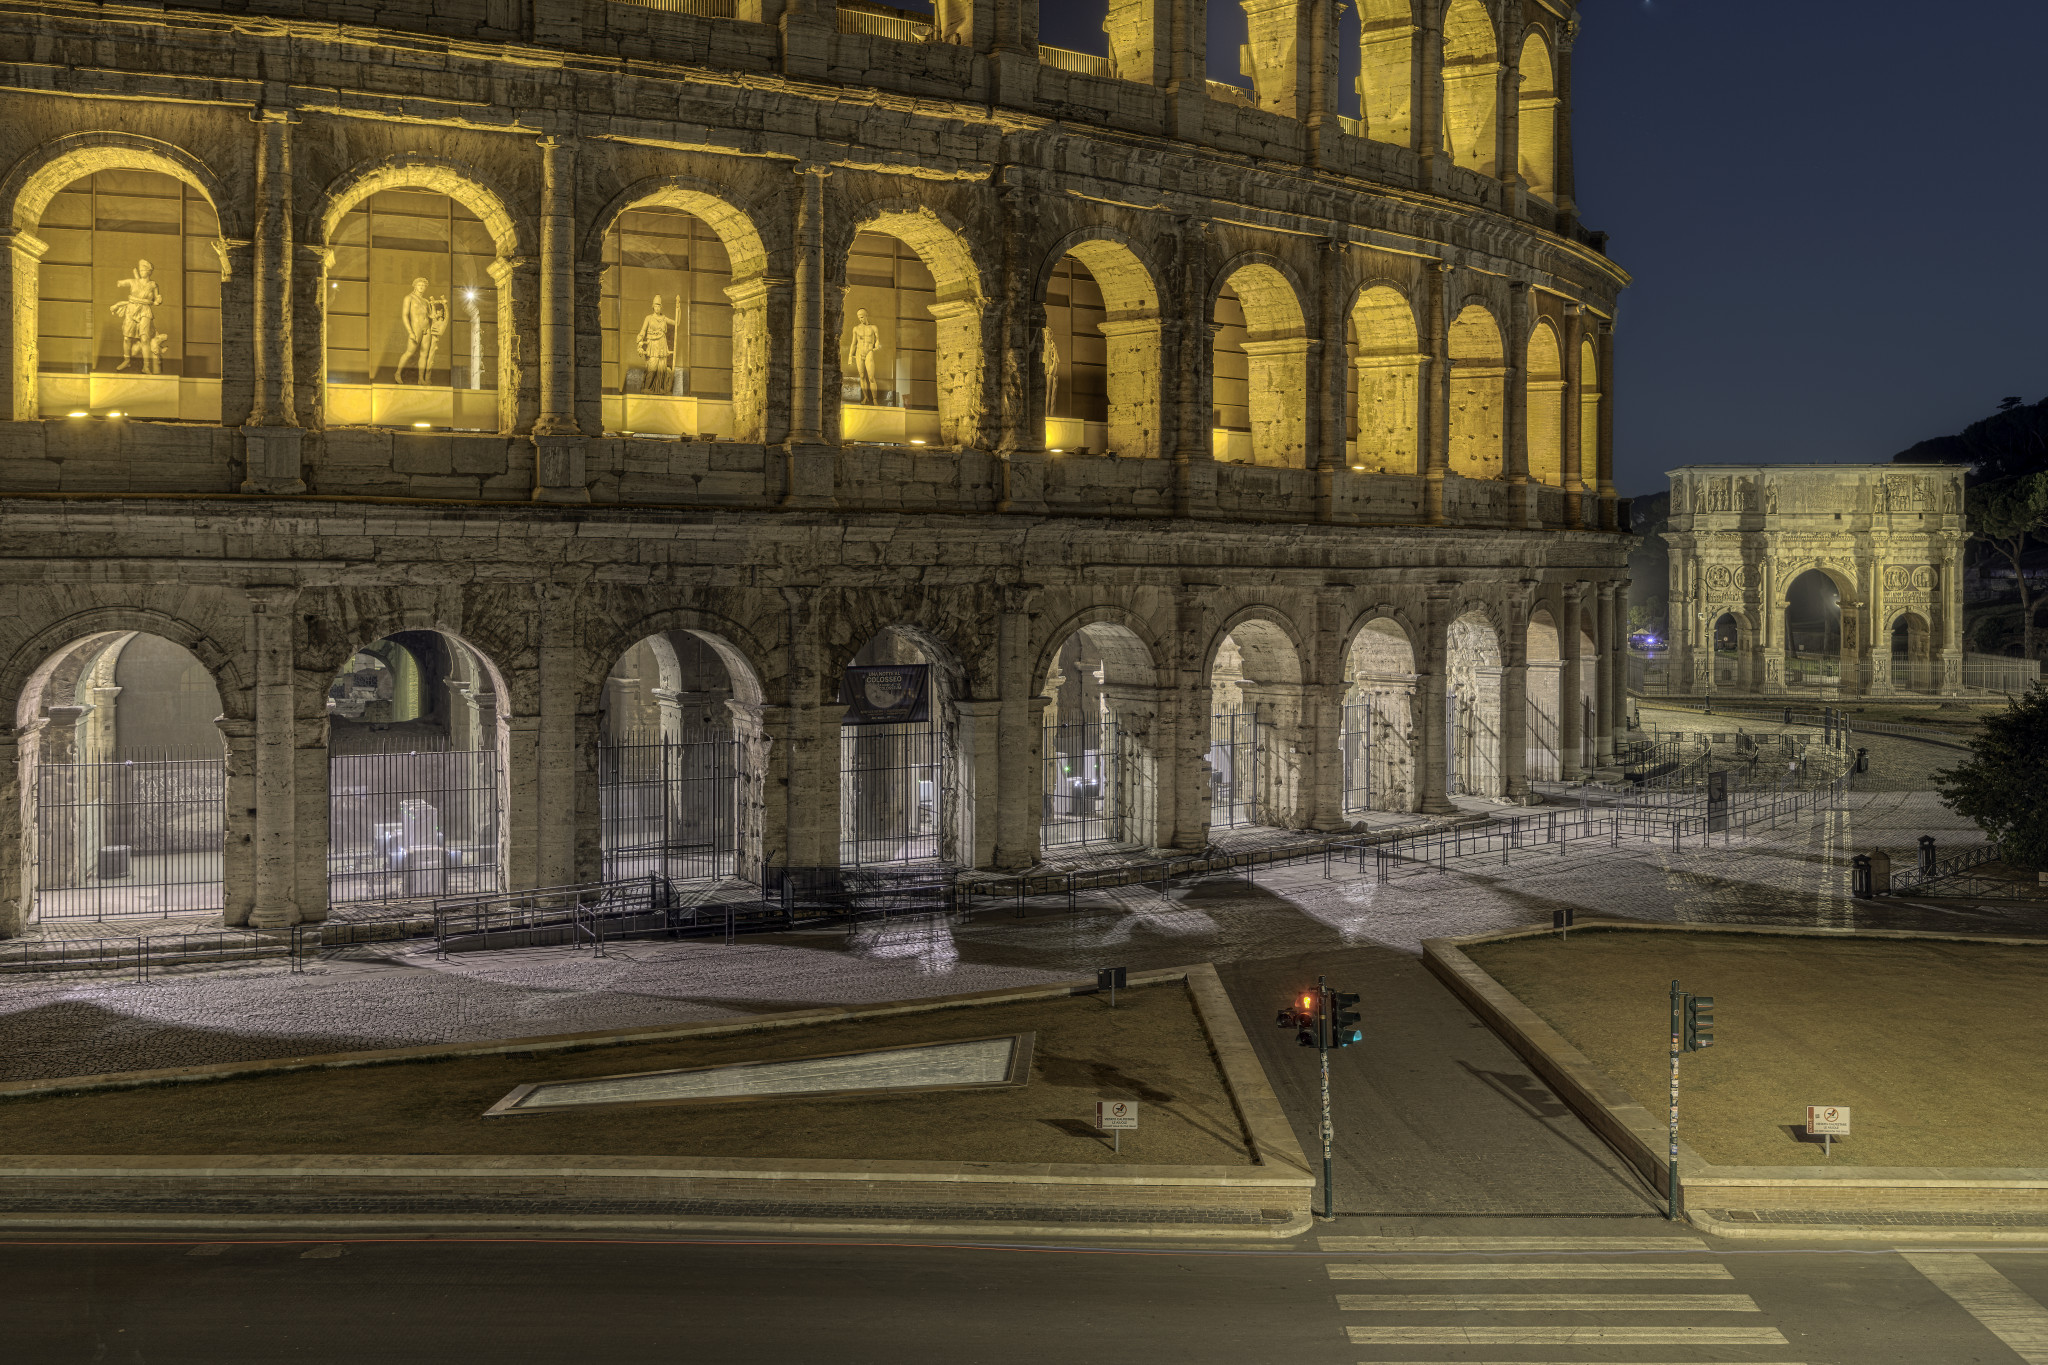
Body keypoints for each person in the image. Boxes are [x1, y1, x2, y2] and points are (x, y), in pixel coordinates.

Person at [108, 260, 163, 373]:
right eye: (140, 270)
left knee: (144, 339)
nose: (142, 272)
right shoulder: (133, 282)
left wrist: (158, 300)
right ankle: (126, 360)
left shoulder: (153, 285)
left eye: (144, 270)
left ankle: (146, 366)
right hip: (132, 309)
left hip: (145, 311)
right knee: (127, 337)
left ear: (149, 272)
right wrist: (120, 282)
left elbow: (156, 299)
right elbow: (119, 283)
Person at [396, 277, 448, 385]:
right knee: (409, 352)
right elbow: (404, 316)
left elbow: (431, 315)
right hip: (416, 328)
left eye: (423, 286)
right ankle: (397, 373)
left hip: (427, 328)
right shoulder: (409, 298)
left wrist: (439, 310)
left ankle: (421, 378)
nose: (421, 287)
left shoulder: (425, 301)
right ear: (415, 286)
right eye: (419, 285)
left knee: (424, 354)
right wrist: (410, 332)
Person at [635, 295, 676, 394]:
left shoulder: (664, 318)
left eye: (659, 306)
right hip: (653, 345)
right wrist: (639, 340)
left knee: (661, 368)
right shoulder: (648, 318)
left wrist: (679, 309)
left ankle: (660, 389)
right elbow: (643, 330)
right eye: (655, 306)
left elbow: (676, 323)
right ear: (653, 306)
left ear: (661, 307)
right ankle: (647, 387)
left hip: (662, 344)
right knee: (652, 367)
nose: (657, 308)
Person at [845, 308, 883, 404]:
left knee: (871, 377)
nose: (860, 319)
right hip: (859, 352)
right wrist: (850, 356)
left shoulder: (873, 327)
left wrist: (877, 344)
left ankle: (875, 399)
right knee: (862, 376)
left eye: (862, 317)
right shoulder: (856, 329)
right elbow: (853, 343)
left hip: (869, 351)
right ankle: (866, 397)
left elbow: (878, 339)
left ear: (866, 315)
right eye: (859, 317)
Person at [1042, 326, 1060, 416]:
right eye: (1045, 334)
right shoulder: (1041, 345)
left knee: (1049, 392)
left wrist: (1054, 351)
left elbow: (1057, 359)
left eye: (1048, 334)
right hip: (1042, 370)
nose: (1046, 336)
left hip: (1049, 370)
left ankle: (1047, 413)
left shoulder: (1052, 345)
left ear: (1050, 335)